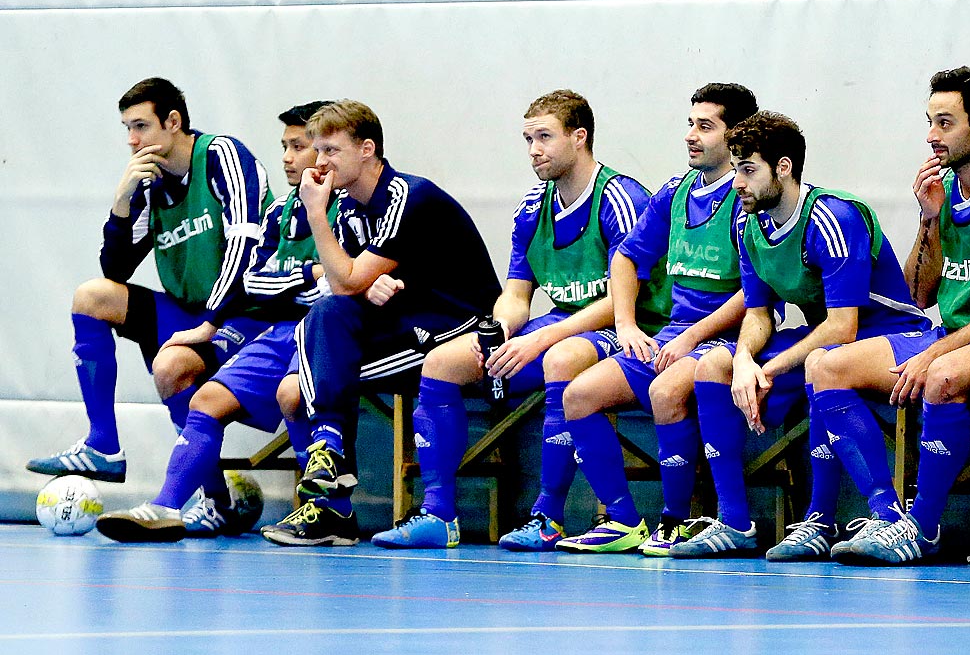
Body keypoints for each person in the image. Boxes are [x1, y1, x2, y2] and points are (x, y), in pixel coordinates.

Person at [803, 67, 970, 565]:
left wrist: (934, 352)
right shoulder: (945, 193)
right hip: (951, 332)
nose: (932, 136)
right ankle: (886, 516)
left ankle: (923, 530)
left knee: (943, 377)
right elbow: (916, 292)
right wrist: (927, 221)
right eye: (930, 121)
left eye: (945, 123)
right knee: (824, 365)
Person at [369, 89, 655, 549]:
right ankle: (439, 515)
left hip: (620, 325)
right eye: (527, 139)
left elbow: (627, 301)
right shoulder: (532, 207)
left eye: (544, 137)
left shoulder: (619, 197)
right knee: (443, 362)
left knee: (560, 357)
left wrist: (537, 342)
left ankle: (549, 516)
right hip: (559, 323)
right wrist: (499, 330)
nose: (533, 151)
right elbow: (518, 294)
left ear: (579, 137)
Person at [667, 111, 933, 560]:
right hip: (824, 339)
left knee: (820, 363)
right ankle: (734, 521)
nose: (737, 184)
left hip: (894, 335)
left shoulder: (833, 217)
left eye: (748, 170)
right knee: (715, 364)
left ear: (784, 167)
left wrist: (767, 367)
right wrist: (746, 361)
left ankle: (870, 517)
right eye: (735, 170)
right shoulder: (747, 222)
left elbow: (843, 326)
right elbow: (757, 314)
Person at [96, 101, 347, 541]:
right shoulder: (280, 213)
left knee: (293, 391)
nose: (287, 158)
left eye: (299, 146)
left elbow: (339, 286)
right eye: (284, 146)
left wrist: (291, 283)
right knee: (203, 398)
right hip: (275, 328)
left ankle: (325, 512)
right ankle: (167, 507)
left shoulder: (351, 209)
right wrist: (307, 274)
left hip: (326, 329)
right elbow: (255, 280)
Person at [260, 100, 500, 547]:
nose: (319, 162)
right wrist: (363, 284)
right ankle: (329, 483)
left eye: (330, 150)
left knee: (307, 380)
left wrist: (316, 215)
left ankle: (353, 495)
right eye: (317, 151)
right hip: (403, 319)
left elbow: (346, 277)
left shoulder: (407, 195)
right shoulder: (351, 209)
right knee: (306, 353)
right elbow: (342, 285)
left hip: (456, 321)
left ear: (367, 149)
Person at [29, 78, 272, 483]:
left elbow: (245, 245)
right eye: (127, 128)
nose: (131, 139)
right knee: (92, 296)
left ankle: (213, 499)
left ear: (173, 121)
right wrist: (121, 204)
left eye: (140, 126)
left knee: (171, 367)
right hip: (191, 312)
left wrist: (210, 321)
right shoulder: (151, 180)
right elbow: (116, 271)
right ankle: (103, 444)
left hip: (243, 312)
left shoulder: (220, 155)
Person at [554, 83, 757, 555]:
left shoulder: (747, 196)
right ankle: (623, 522)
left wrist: (691, 338)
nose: (691, 135)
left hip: (727, 342)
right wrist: (626, 325)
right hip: (672, 337)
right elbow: (625, 258)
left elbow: (756, 291)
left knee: (665, 392)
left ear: (736, 136)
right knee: (579, 394)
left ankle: (676, 520)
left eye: (705, 126)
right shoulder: (676, 191)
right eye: (690, 123)